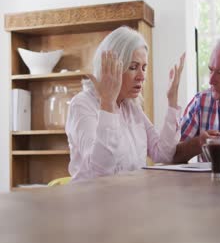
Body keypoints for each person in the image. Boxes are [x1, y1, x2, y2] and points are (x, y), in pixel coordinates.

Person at [66, 26, 185, 181]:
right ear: (110, 67)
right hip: (94, 202)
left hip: (130, 199)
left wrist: (172, 100)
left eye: (144, 67)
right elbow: (101, 169)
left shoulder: (130, 107)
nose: (141, 76)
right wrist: (107, 103)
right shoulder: (82, 105)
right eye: (133, 67)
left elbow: (162, 154)